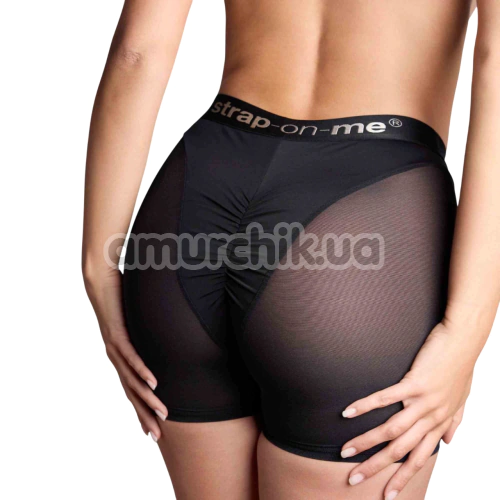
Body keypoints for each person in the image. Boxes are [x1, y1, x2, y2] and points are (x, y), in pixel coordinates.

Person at [82, 1, 500, 499]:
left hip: (193, 204)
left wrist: (99, 266)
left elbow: (137, 52)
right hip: (366, 217)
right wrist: (466, 329)